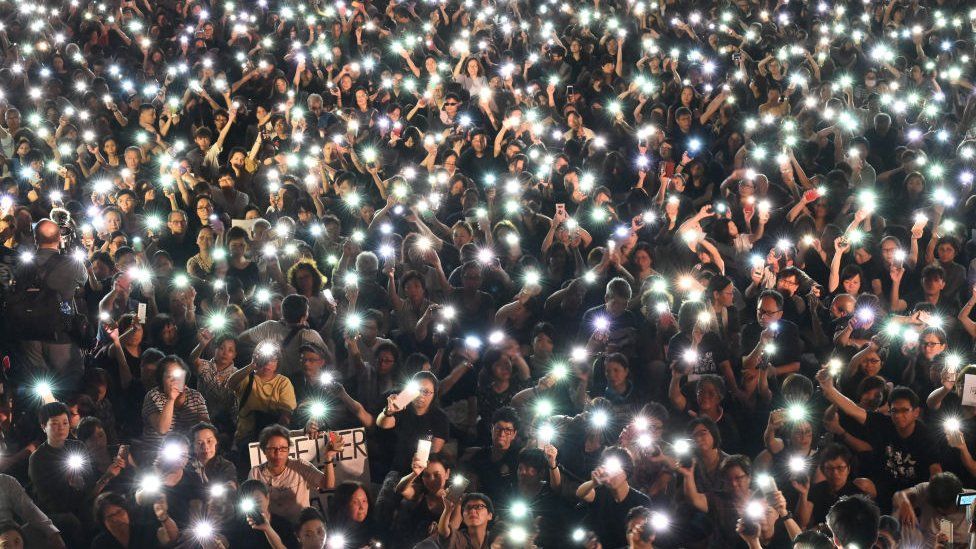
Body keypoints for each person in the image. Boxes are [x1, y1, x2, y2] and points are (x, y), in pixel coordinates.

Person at [14, 218, 88, 390]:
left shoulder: (22, 264)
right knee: (69, 383)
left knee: (37, 387)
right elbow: (84, 282)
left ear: (35, 239)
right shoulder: (72, 264)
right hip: (60, 334)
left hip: (29, 333)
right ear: (59, 238)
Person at [247, 424, 339, 524]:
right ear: (264, 450)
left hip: (301, 527)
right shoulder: (256, 473)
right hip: (272, 529)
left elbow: (328, 484)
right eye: (273, 449)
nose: (278, 453)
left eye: (283, 448)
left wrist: (328, 458)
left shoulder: (300, 466)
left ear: (288, 450)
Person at [576, 446, 651, 549]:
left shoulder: (641, 501)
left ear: (627, 471)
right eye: (608, 469)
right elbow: (580, 493)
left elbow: (646, 534)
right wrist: (593, 482)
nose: (612, 475)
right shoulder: (599, 493)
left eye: (616, 470)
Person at [893, 471, 971, 548]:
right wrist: (905, 502)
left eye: (946, 509)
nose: (942, 512)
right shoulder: (927, 490)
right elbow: (899, 496)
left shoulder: (971, 500)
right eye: (939, 509)